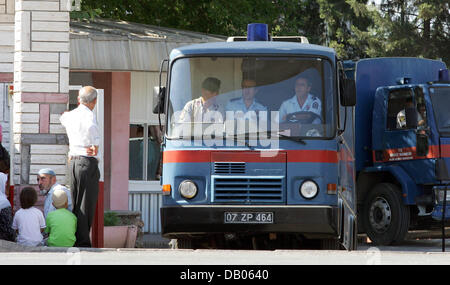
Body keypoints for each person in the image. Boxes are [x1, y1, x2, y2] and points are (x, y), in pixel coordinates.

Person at [60, 86, 100, 247]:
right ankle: (83, 241)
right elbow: (92, 130)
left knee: (76, 201)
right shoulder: (89, 115)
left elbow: (62, 118)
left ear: (78, 100)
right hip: (86, 161)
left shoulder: (70, 115)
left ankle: (75, 238)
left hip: (73, 162)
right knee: (86, 203)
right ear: (94, 101)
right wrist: (95, 144)